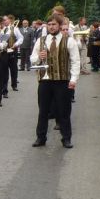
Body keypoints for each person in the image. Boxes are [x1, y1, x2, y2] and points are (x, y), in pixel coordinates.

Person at [30, 14, 80, 148]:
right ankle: (41, 137)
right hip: (45, 81)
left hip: (62, 80)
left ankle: (66, 138)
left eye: (54, 24)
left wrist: (74, 79)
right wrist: (39, 57)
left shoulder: (69, 41)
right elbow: (32, 59)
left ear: (59, 25)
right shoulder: (41, 40)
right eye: (49, 24)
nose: (51, 27)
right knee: (43, 110)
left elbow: (76, 61)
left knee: (63, 111)